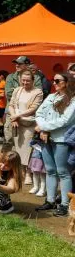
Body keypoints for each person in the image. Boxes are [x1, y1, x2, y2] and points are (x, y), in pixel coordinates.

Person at [33, 73, 75, 217]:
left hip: (61, 138)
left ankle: (65, 204)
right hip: (46, 138)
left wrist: (44, 128)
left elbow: (65, 120)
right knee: (50, 170)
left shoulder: (73, 100)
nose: (54, 83)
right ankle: (50, 200)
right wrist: (43, 128)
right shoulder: (51, 96)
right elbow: (39, 113)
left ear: (67, 82)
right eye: (53, 80)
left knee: (63, 172)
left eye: (57, 80)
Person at [8, 70, 43, 182]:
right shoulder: (17, 90)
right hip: (17, 123)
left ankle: (28, 173)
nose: (25, 82)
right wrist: (14, 117)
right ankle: (21, 171)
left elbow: (33, 109)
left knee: (28, 149)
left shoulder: (38, 92)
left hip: (29, 124)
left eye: (28, 80)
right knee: (18, 148)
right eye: (23, 80)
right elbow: (11, 105)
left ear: (33, 80)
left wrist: (16, 116)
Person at [4, 56, 43, 141]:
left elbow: (38, 94)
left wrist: (17, 91)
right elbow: (9, 94)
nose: (17, 65)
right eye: (16, 63)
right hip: (11, 113)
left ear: (27, 65)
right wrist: (14, 116)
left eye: (20, 63)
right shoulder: (10, 77)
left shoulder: (36, 77)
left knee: (25, 141)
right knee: (9, 139)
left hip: (28, 115)